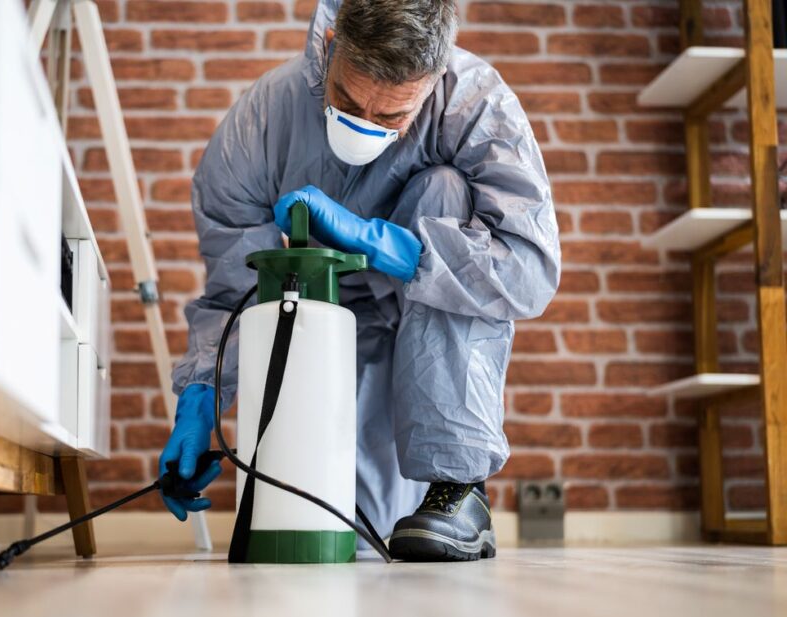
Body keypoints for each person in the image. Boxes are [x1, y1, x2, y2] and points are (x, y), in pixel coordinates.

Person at [156, 0, 560, 561]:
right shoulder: (261, 124)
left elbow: (529, 268)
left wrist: (394, 246)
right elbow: (233, 287)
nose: (363, 124)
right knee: (346, 533)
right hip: (314, 327)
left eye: (391, 117)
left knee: (444, 187)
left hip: (430, 326)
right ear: (328, 47)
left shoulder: (475, 105)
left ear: (433, 79)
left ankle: (457, 489)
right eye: (346, 100)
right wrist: (202, 394)